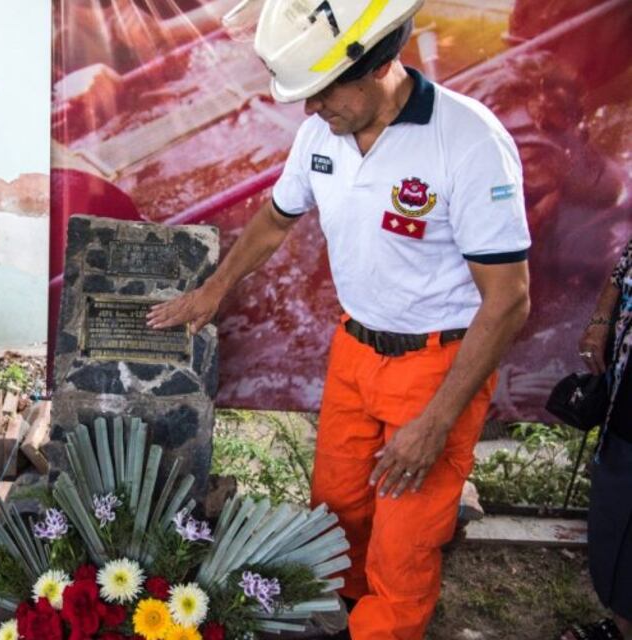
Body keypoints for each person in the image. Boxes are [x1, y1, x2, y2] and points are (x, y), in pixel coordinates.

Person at [147, 1, 531, 638]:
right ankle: (347, 616)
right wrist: (213, 290)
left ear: (378, 65)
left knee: (403, 545)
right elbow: (274, 220)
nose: (308, 109)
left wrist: (436, 420)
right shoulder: (319, 135)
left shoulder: (468, 141)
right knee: (337, 512)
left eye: (320, 92)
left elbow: (509, 299)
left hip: (437, 367)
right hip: (354, 352)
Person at [562, 237, 632, 640]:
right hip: (624, 395)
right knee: (617, 499)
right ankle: (621, 625)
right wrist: (601, 321)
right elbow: (623, 268)